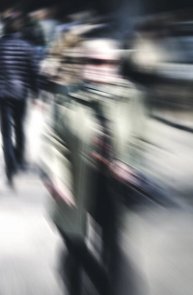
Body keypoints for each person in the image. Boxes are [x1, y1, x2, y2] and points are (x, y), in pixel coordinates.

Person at [41, 36, 148, 295]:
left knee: (111, 242)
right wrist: (57, 177)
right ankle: (90, 284)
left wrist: (128, 164)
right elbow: (54, 141)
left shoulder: (129, 96)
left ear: (116, 64)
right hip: (75, 180)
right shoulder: (66, 96)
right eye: (92, 61)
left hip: (112, 185)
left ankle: (111, 286)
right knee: (73, 239)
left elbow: (139, 137)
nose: (100, 67)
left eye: (107, 62)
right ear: (81, 63)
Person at [0, 15, 39, 188]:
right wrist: (35, 92)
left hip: (2, 93)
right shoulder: (27, 47)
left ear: (5, 28)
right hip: (21, 93)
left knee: (6, 132)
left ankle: (10, 164)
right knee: (20, 127)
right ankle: (19, 159)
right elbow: (33, 71)